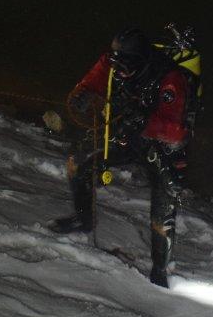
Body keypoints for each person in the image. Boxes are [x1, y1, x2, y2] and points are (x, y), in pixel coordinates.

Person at [53, 27, 191, 288]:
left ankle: (160, 269)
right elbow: (92, 80)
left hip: (159, 144)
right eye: (115, 63)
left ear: (140, 61)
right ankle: (84, 218)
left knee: (164, 201)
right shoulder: (113, 61)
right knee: (79, 162)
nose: (118, 70)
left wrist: (143, 121)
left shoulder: (170, 79)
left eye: (125, 65)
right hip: (125, 134)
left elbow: (176, 131)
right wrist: (82, 94)